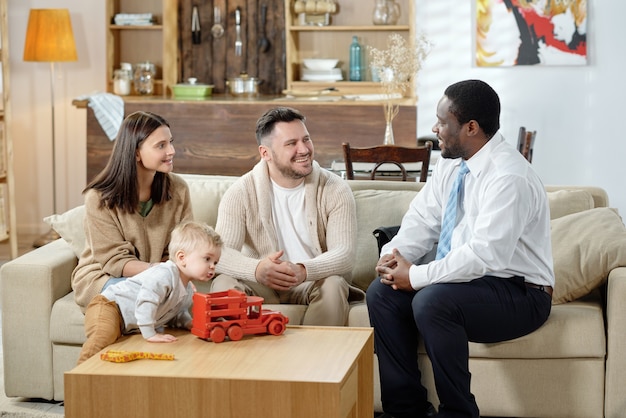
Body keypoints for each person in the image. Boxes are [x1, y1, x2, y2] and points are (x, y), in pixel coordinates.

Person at [367, 80, 554, 418]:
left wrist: (418, 275)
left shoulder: (509, 177)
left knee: (432, 300)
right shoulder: (452, 163)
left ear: (471, 127)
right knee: (382, 293)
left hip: (521, 294)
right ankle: (405, 410)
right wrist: (393, 258)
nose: (434, 129)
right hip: (469, 284)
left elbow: (485, 255)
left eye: (442, 121)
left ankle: (458, 412)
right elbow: (423, 220)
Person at [211, 106, 361, 326]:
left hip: (312, 282)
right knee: (224, 283)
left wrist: (303, 270)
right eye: (291, 143)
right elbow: (219, 254)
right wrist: (257, 269)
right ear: (266, 153)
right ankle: (240, 358)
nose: (304, 149)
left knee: (333, 283)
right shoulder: (240, 192)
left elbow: (344, 253)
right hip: (262, 285)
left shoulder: (335, 188)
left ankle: (318, 359)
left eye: (306, 139)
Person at [72, 111, 193, 311]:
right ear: (136, 152)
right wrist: (159, 273)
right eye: (161, 145)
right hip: (106, 276)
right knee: (144, 301)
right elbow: (114, 261)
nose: (171, 151)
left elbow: (184, 247)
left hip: (159, 276)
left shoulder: (178, 190)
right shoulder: (99, 198)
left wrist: (166, 274)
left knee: (184, 301)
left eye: (170, 142)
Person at [77, 220, 223, 364]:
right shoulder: (164, 274)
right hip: (110, 306)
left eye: (215, 262)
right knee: (101, 339)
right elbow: (146, 300)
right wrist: (149, 333)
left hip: (125, 322)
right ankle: (77, 381)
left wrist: (188, 323)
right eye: (207, 259)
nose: (212, 266)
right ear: (182, 258)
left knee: (112, 356)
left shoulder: (188, 289)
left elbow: (175, 312)